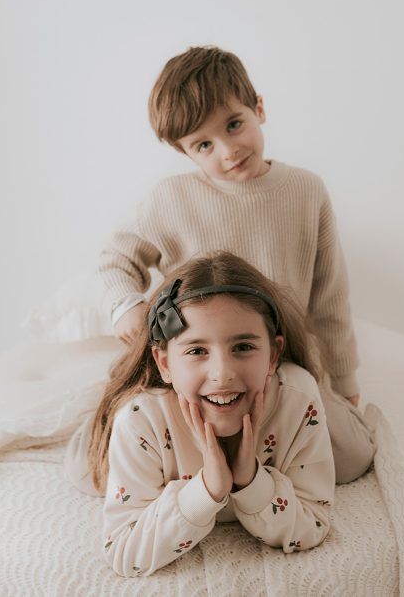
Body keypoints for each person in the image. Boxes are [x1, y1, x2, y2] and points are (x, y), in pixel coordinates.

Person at [95, 45, 374, 484]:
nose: (228, 150)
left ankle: (247, 465)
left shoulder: (306, 192)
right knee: (104, 456)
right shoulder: (170, 200)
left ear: (258, 108)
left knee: (353, 456)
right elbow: (115, 260)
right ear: (185, 151)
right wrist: (126, 306)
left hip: (272, 363)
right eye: (204, 144)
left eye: (234, 124)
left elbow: (329, 302)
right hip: (197, 370)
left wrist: (343, 385)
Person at [87, 252, 336, 577]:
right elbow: (123, 551)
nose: (222, 373)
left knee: (356, 452)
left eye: (243, 347)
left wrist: (250, 480)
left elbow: (312, 524)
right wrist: (207, 489)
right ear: (165, 364)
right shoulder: (139, 419)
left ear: (273, 355)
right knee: (86, 463)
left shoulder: (298, 400)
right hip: (124, 423)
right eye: (196, 351)